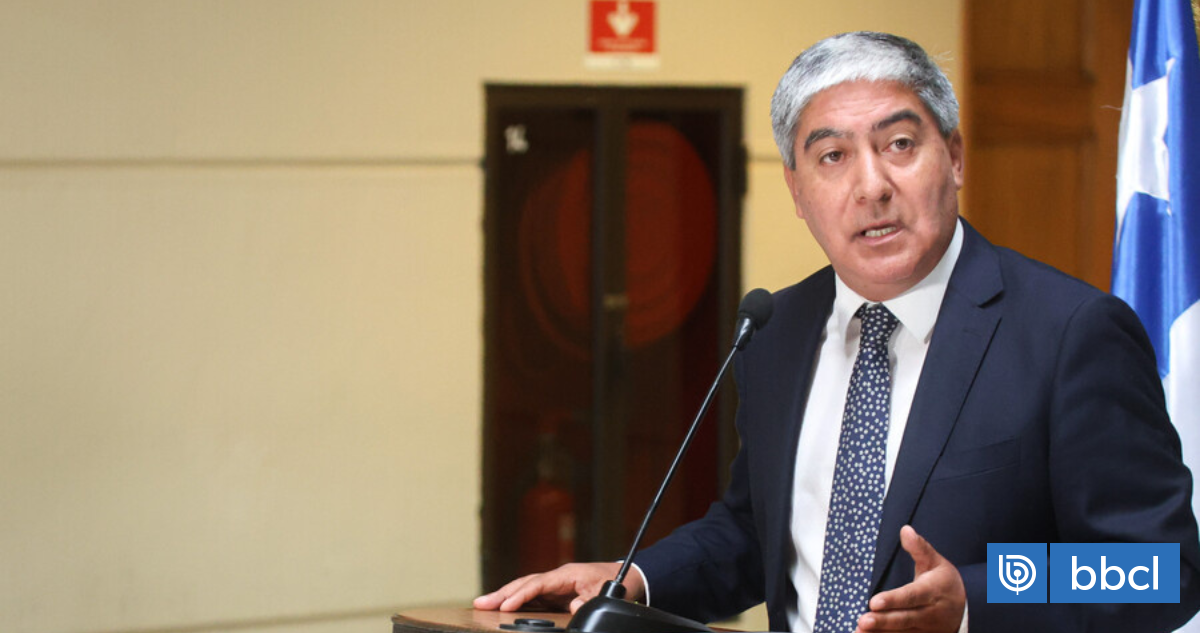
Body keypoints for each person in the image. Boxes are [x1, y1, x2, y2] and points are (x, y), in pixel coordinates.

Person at [475, 31, 1200, 633]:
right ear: (797, 190)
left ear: (954, 157)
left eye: (900, 144)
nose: (871, 185)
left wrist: (976, 598)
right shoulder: (775, 330)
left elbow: (1160, 569)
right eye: (833, 156)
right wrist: (634, 577)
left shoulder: (1071, 332)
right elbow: (759, 533)